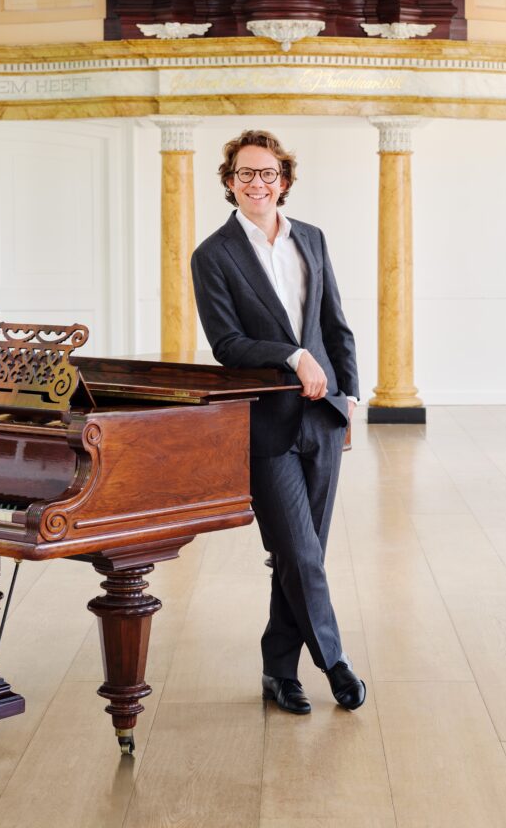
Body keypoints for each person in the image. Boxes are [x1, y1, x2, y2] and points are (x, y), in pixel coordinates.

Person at [191, 129, 366, 714]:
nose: (257, 183)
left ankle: (278, 671)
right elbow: (227, 344)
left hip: (324, 416)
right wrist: (291, 356)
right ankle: (335, 663)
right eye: (245, 173)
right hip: (266, 425)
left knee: (302, 553)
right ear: (229, 182)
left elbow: (335, 325)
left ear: (284, 181)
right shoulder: (213, 255)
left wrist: (348, 397)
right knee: (299, 553)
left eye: (268, 173)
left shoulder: (311, 239)